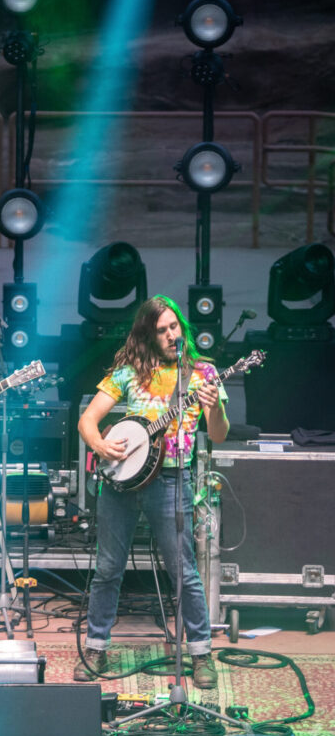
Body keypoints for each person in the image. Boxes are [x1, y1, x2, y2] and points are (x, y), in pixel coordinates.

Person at [75, 295, 228, 689]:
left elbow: (218, 433)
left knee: (184, 572)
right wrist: (100, 445)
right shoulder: (129, 372)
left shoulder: (202, 374)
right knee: (108, 568)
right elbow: (88, 420)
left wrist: (216, 408)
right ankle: (96, 646)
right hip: (122, 482)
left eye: (174, 326)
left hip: (172, 480)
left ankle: (200, 653)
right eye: (161, 330)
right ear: (148, 335)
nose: (171, 335)